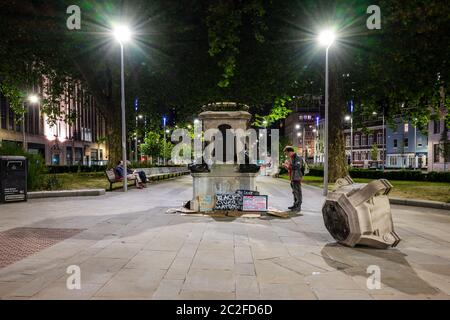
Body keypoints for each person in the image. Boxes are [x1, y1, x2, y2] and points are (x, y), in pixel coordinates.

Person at [283, 146, 303, 212]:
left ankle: (298, 207)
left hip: (297, 177)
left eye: (287, 153)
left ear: (290, 152)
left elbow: (298, 166)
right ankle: (295, 205)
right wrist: (287, 166)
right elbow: (291, 168)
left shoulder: (297, 157)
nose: (287, 155)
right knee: (294, 192)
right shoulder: (291, 158)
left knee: (298, 192)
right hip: (292, 177)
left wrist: (288, 165)